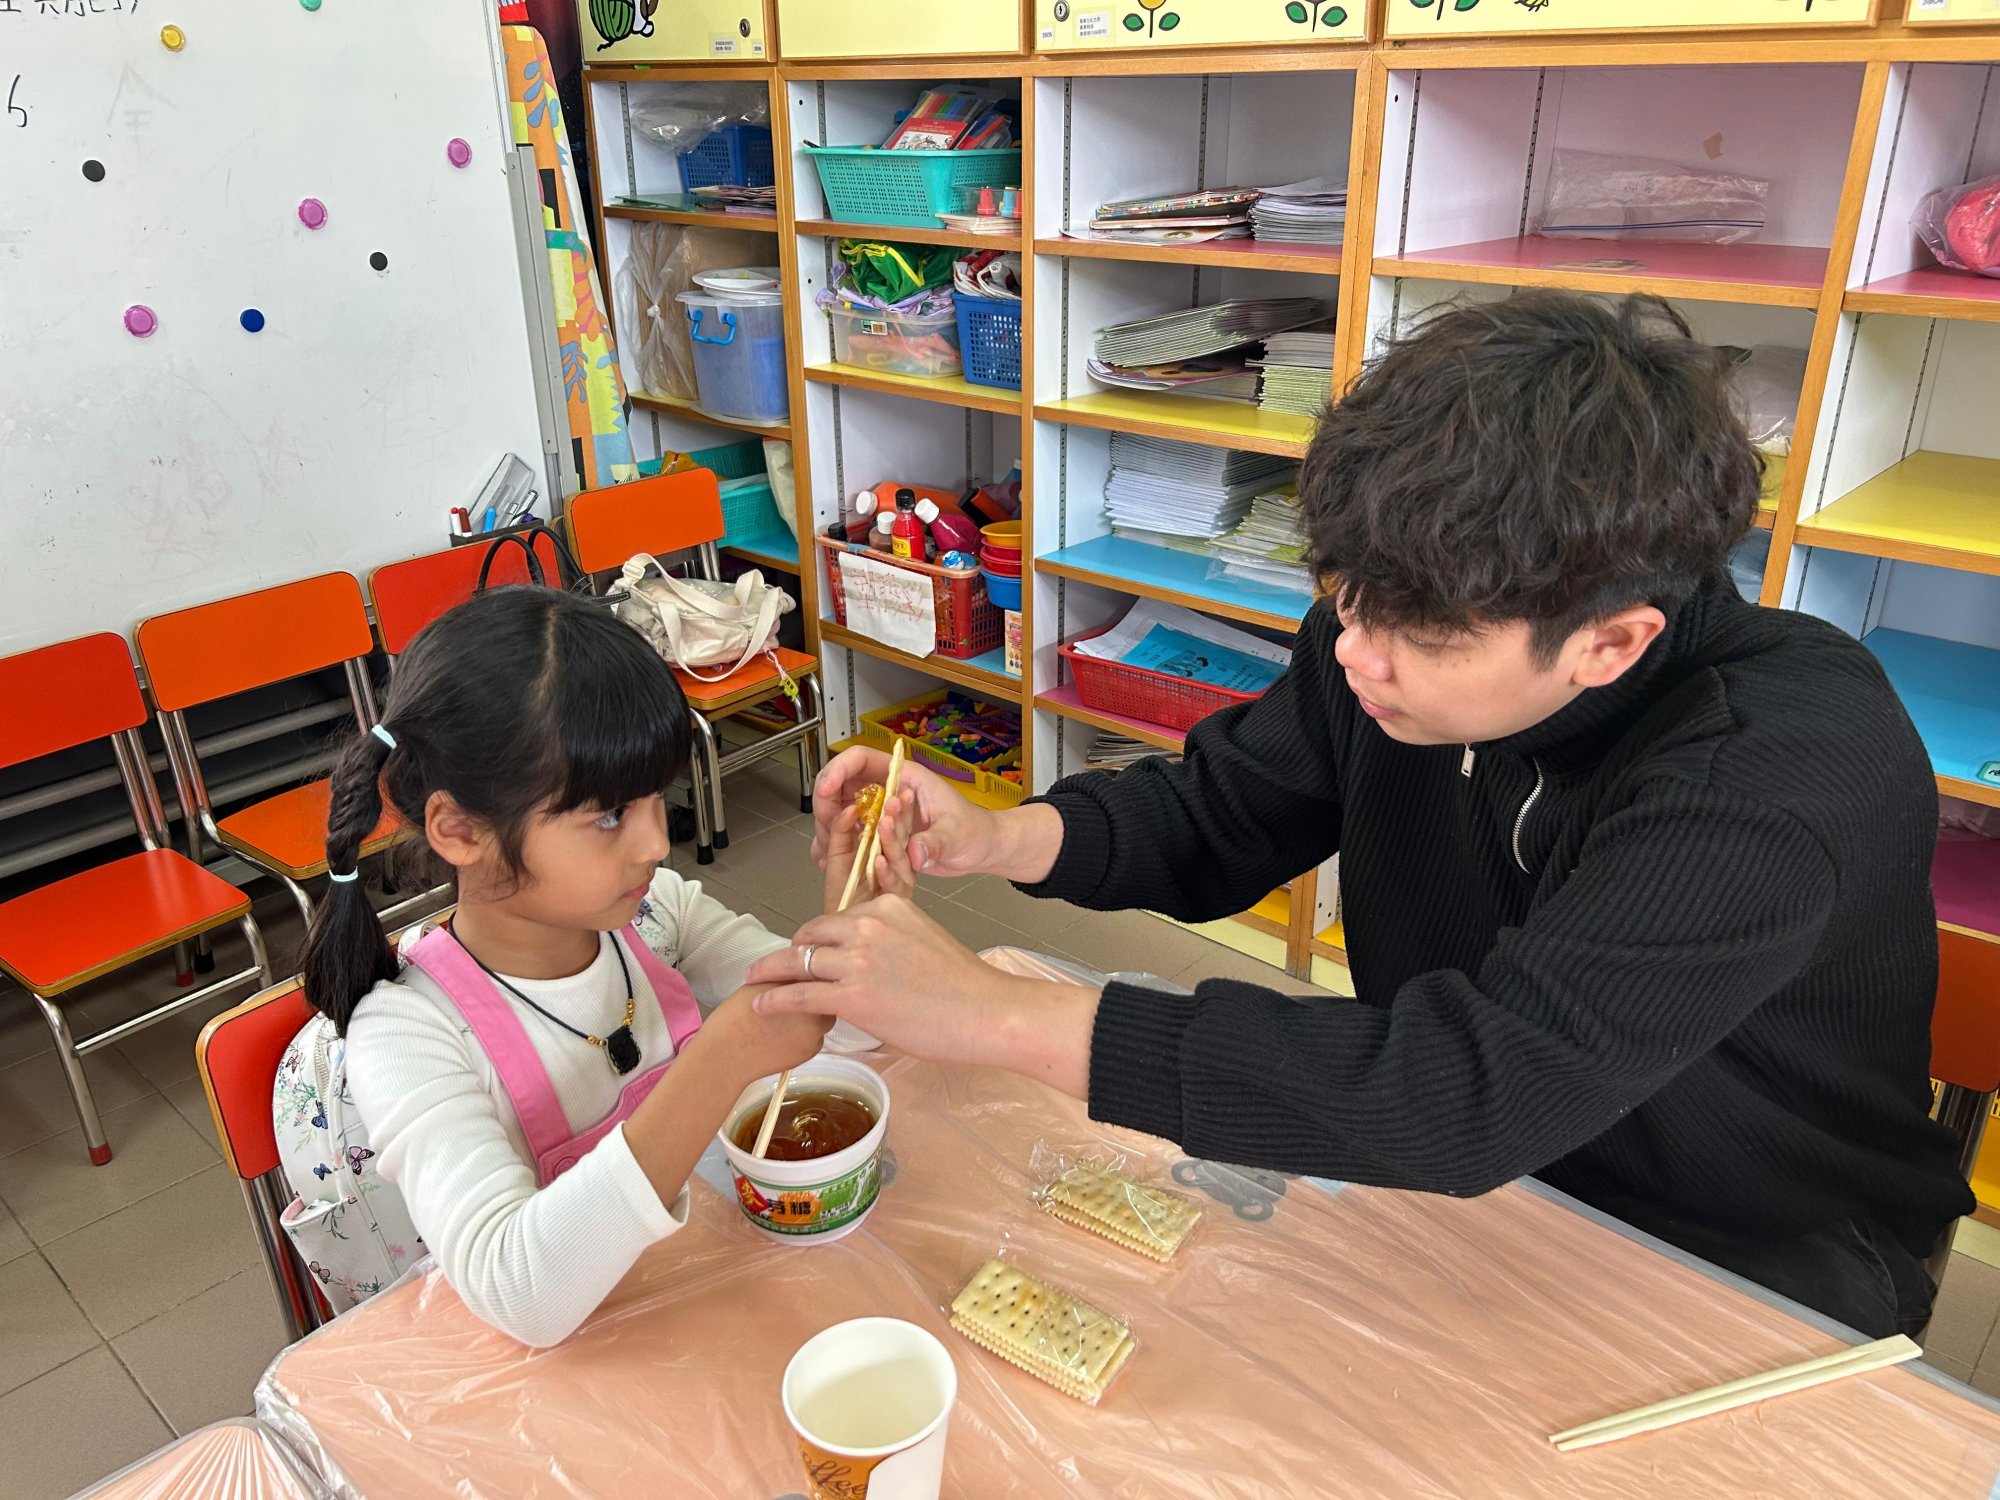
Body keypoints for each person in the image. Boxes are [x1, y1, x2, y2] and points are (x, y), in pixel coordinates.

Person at [749, 291, 1973, 1339]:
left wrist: (992, 1014)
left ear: (1608, 644)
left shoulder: (1769, 768)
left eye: (1417, 638)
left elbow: (1470, 1090)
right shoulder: (1386, 622)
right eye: (1343, 601)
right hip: (1488, 1186)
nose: (1356, 655)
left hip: (1743, 1242)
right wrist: (996, 835)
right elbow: (1229, 808)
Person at [287, 587, 898, 1345]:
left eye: (655, 799)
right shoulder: (409, 1031)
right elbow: (523, 1295)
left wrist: (855, 911)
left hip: (695, 1308)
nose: (655, 843)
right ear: (461, 830)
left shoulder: (656, 915)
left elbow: (857, 1040)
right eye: (608, 815)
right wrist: (720, 1058)